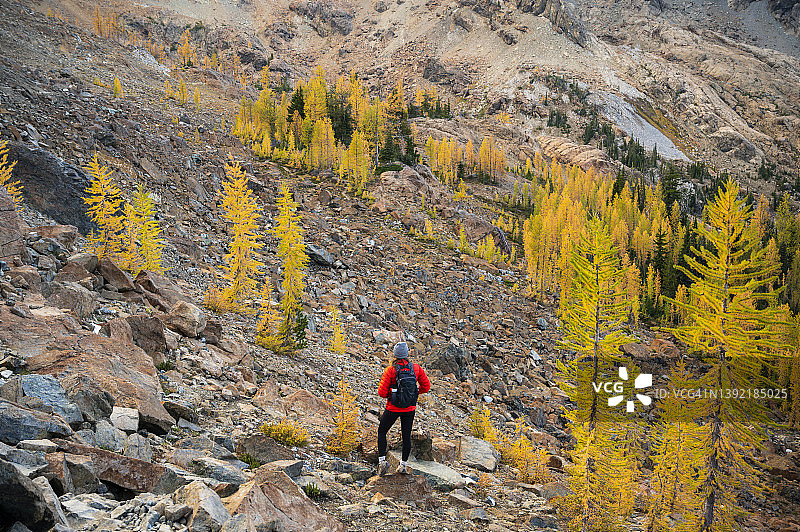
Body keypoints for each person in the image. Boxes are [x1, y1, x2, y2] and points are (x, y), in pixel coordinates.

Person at [376, 341, 431, 476]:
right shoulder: (416, 368)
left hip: (393, 408)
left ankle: (382, 462)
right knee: (406, 435)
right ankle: (403, 466)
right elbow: (426, 386)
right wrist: (413, 393)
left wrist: (393, 395)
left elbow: (381, 392)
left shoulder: (391, 370)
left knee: (382, 431)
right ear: (407, 354)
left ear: (395, 355)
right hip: (409, 408)